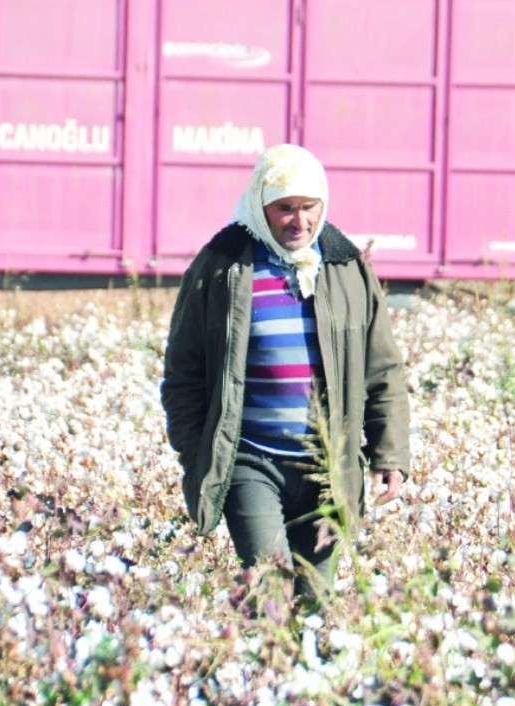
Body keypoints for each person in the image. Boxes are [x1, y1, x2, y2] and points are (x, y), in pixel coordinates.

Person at [161, 144, 411, 600]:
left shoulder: (346, 267)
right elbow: (183, 374)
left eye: (308, 207)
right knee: (269, 591)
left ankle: (302, 669)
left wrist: (389, 454)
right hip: (251, 462)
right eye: (284, 208)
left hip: (328, 469)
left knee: (316, 599)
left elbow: (383, 370)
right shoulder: (222, 267)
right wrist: (196, 453)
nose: (299, 221)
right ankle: (261, 669)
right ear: (261, 205)